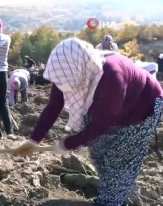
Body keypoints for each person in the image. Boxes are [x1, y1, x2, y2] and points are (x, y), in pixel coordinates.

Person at [14, 38, 163, 206]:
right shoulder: (65, 70)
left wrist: (67, 143)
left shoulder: (111, 75)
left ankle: (112, 200)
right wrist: (34, 140)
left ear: (80, 71)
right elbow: (54, 105)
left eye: (67, 81)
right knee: (99, 153)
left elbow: (104, 122)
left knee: (119, 160)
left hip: (141, 109)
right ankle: (122, 190)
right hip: (105, 108)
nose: (63, 84)